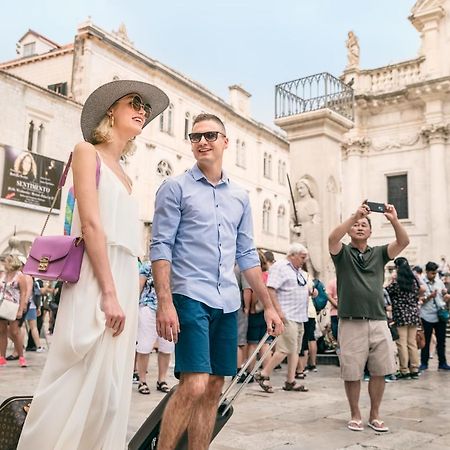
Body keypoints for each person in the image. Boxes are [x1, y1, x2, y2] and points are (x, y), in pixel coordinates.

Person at [18, 80, 169, 450]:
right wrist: (109, 292)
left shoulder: (127, 174)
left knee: (110, 387)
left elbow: (126, 243)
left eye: (145, 108)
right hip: (94, 277)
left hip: (121, 277)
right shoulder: (87, 151)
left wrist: (128, 288)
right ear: (110, 111)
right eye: (134, 103)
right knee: (77, 370)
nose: (143, 110)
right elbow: (91, 224)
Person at [151, 113, 284, 450]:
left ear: (225, 142)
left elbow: (248, 255)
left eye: (210, 135)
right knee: (193, 384)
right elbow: (160, 246)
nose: (202, 142)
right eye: (195, 137)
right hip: (188, 295)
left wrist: (269, 306)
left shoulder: (239, 196)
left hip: (227, 301)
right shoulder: (174, 187)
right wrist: (164, 303)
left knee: (213, 388)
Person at [328, 201, 409, 433]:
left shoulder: (379, 253)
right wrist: (355, 215)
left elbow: (403, 242)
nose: (360, 227)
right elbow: (333, 239)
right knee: (352, 371)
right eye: (357, 225)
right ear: (351, 228)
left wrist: (394, 219)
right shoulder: (342, 253)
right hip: (350, 320)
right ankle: (355, 414)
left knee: (380, 370)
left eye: (364, 225)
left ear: (371, 232)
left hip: (378, 319)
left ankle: (375, 414)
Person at [255, 243, 311, 393]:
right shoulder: (281, 266)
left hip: (300, 315)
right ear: (292, 255)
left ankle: (290, 381)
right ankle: (263, 373)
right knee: (285, 348)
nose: (303, 260)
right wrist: (278, 311)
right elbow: (271, 288)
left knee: (294, 350)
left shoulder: (298, 271)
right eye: (302, 257)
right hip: (287, 314)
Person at [135, 260, 174, 395]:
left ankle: (161, 380)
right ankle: (142, 381)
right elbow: (139, 286)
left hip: (169, 310)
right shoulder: (148, 265)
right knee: (144, 346)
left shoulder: (177, 265)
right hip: (148, 308)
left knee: (167, 346)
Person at [385, 257, 424, 379]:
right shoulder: (414, 282)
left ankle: (404, 370)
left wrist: (391, 280)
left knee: (401, 343)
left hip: (401, 314)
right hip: (413, 314)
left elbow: (386, 290)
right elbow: (421, 291)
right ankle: (415, 369)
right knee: (411, 342)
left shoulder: (396, 283)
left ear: (397, 268)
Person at [419, 261, 450, 371]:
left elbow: (443, 294)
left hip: (439, 316)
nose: (434, 275)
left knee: (441, 341)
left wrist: (446, 295)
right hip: (426, 316)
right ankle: (424, 363)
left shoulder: (439, 282)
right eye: (432, 273)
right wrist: (429, 297)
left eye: (435, 273)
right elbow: (419, 300)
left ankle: (442, 363)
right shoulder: (421, 283)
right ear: (426, 272)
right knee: (426, 342)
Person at [0, 255, 29, 368]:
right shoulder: (3, 275)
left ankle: (21, 356)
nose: (2, 264)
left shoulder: (19, 275)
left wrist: (21, 309)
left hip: (14, 306)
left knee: (14, 332)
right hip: (2, 306)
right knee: (2, 331)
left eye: (4, 261)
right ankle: (2, 357)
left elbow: (24, 293)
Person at [290, 178, 322, 278]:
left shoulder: (312, 202)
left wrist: (312, 225)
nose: (299, 191)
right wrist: (294, 228)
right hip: (299, 232)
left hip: (310, 232)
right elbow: (291, 220)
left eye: (302, 188)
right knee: (297, 255)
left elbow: (316, 217)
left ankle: (311, 277)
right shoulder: (297, 205)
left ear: (307, 188)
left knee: (309, 258)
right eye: (298, 189)